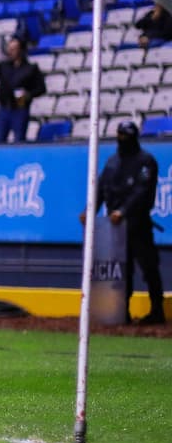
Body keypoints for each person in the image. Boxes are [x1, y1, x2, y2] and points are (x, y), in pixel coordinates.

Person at [92, 122, 164, 325]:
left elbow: (142, 191)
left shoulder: (145, 161)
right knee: (122, 271)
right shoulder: (112, 162)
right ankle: (122, 312)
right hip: (115, 227)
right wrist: (90, 210)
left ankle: (156, 310)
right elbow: (101, 188)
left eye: (125, 136)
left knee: (149, 267)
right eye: (119, 134)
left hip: (138, 224)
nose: (121, 139)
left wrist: (123, 211)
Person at [0, 36, 46, 143]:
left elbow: (41, 88)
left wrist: (29, 94)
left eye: (14, 49)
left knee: (19, 140)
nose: (10, 51)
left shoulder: (31, 68)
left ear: (21, 50)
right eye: (10, 49)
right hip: (4, 109)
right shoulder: (4, 66)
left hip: (20, 109)